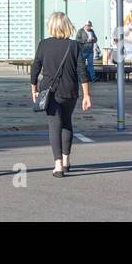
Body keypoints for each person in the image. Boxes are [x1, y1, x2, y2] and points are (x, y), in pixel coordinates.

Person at [31, 12, 91, 177]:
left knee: (54, 126)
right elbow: (82, 71)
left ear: (51, 26)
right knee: (66, 123)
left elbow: (35, 67)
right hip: (70, 92)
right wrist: (87, 95)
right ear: (67, 26)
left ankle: (57, 165)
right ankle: (66, 161)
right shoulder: (74, 46)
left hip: (50, 92)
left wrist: (34, 89)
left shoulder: (43, 44)